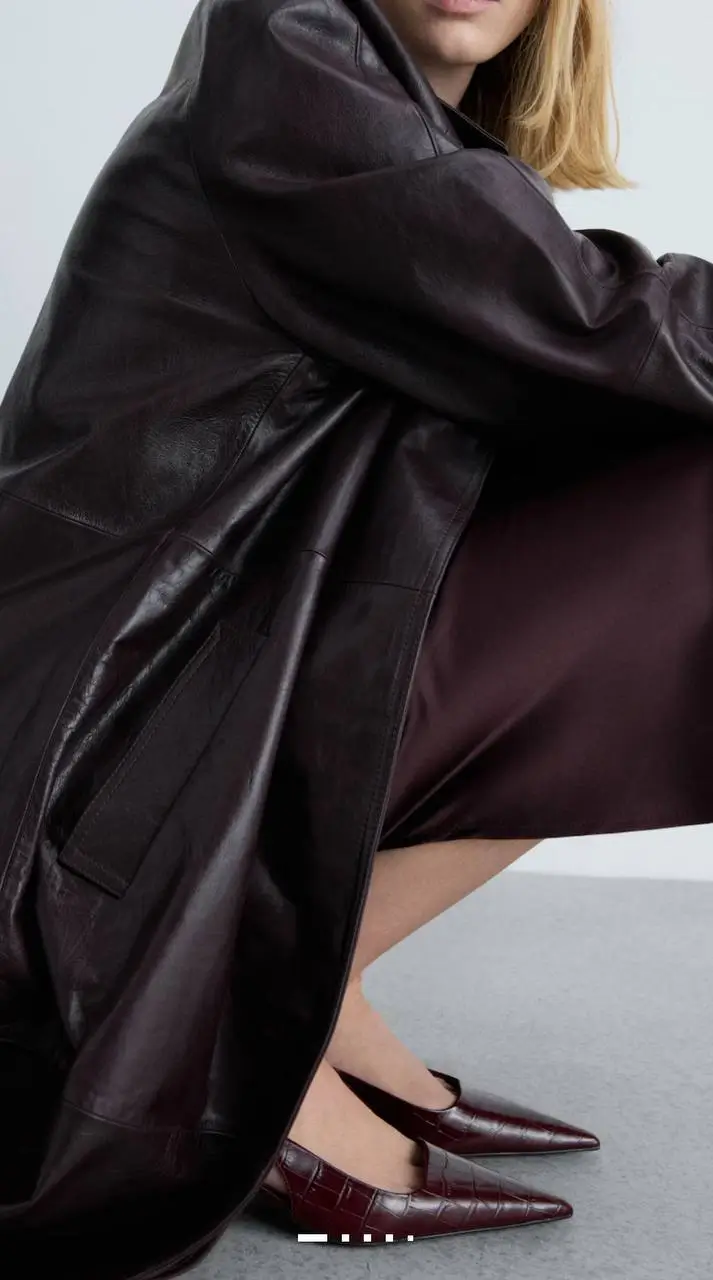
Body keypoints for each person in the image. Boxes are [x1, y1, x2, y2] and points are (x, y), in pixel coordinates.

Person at [3, 0, 713, 1267]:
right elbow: (596, 319)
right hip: (101, 728)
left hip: (212, 660)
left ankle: (312, 988)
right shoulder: (283, 53)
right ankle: (239, 1011)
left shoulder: (388, 125)